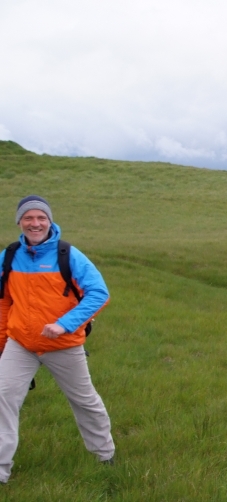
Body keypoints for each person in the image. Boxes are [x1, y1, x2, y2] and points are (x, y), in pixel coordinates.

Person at [0, 195, 115, 483]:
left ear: (50, 221)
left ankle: (105, 456)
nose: (35, 223)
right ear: (19, 222)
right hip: (20, 345)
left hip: (63, 346)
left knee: (84, 401)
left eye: (41, 218)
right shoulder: (9, 256)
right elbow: (3, 302)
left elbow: (99, 293)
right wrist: (2, 343)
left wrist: (64, 325)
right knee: (2, 398)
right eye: (28, 218)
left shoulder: (68, 255)